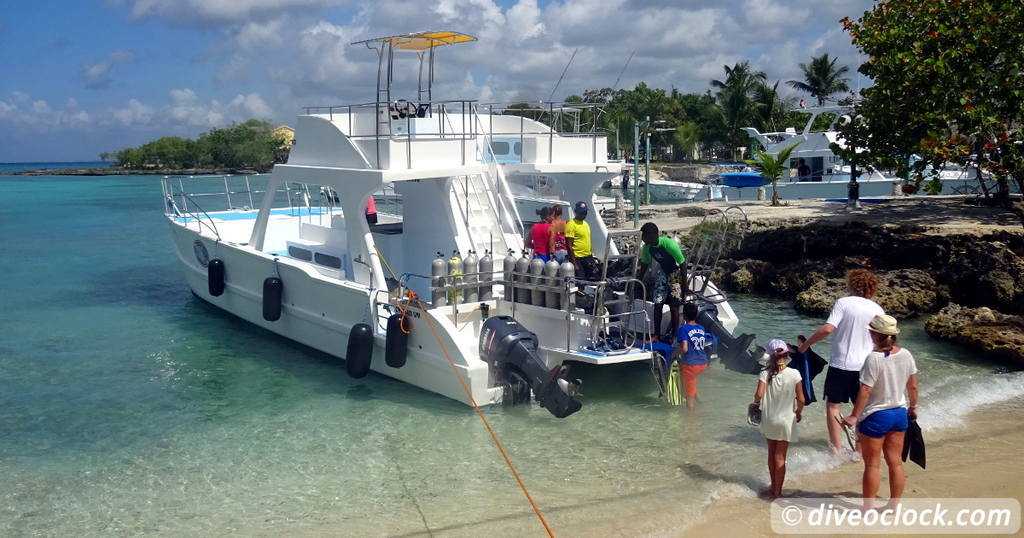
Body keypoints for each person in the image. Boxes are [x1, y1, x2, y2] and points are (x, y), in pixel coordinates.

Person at [798, 269, 884, 452]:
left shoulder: (844, 303)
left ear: (852, 284)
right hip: (868, 366)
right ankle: (860, 451)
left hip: (842, 364)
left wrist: (806, 345)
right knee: (862, 409)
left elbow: (828, 329)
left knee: (833, 407)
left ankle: (836, 449)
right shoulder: (877, 309)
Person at [842, 315, 918, 510]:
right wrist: (913, 407)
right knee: (896, 463)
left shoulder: (873, 358)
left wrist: (854, 416)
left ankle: (868, 509)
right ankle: (893, 506)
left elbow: (866, 390)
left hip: (876, 416)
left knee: (872, 465)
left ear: (876, 335)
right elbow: (913, 387)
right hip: (899, 413)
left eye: (871, 331)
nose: (869, 333)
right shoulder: (906, 354)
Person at [751, 339, 806, 498]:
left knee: (771, 454)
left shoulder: (765, 373)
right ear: (787, 354)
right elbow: (801, 399)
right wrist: (799, 412)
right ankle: (778, 492)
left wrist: (755, 404)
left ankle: (772, 487)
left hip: (769, 419)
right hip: (786, 420)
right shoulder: (794, 373)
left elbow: (758, 395)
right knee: (780, 456)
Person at [637, 222, 687, 341]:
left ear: (652, 235)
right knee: (657, 304)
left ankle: (675, 336)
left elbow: (682, 263)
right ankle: (656, 335)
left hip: (675, 276)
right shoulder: (647, 248)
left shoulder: (668, 244)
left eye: (644, 236)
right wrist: (638, 281)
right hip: (662, 276)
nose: (642, 239)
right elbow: (644, 264)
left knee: (674, 306)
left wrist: (684, 285)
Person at [672, 302, 710, 411]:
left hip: (691, 365)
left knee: (689, 396)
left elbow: (684, 348)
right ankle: (700, 401)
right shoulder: (701, 328)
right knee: (690, 382)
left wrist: (675, 353)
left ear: (684, 316)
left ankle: (691, 422)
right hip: (703, 362)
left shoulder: (683, 329)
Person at [565, 201, 599, 279]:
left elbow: (588, 241)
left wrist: (592, 258)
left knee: (593, 278)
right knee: (581, 280)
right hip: (577, 258)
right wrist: (574, 263)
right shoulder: (571, 225)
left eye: (585, 212)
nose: (584, 214)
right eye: (582, 212)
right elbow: (568, 245)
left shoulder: (586, 224)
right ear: (576, 211)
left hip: (588, 257)